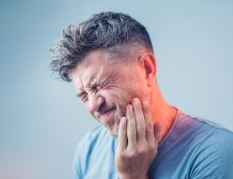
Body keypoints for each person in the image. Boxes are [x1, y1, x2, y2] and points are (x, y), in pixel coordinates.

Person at [51, 12, 233, 179]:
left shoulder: (217, 153)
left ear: (147, 69)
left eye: (100, 85)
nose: (92, 105)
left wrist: (133, 176)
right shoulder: (88, 150)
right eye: (83, 95)